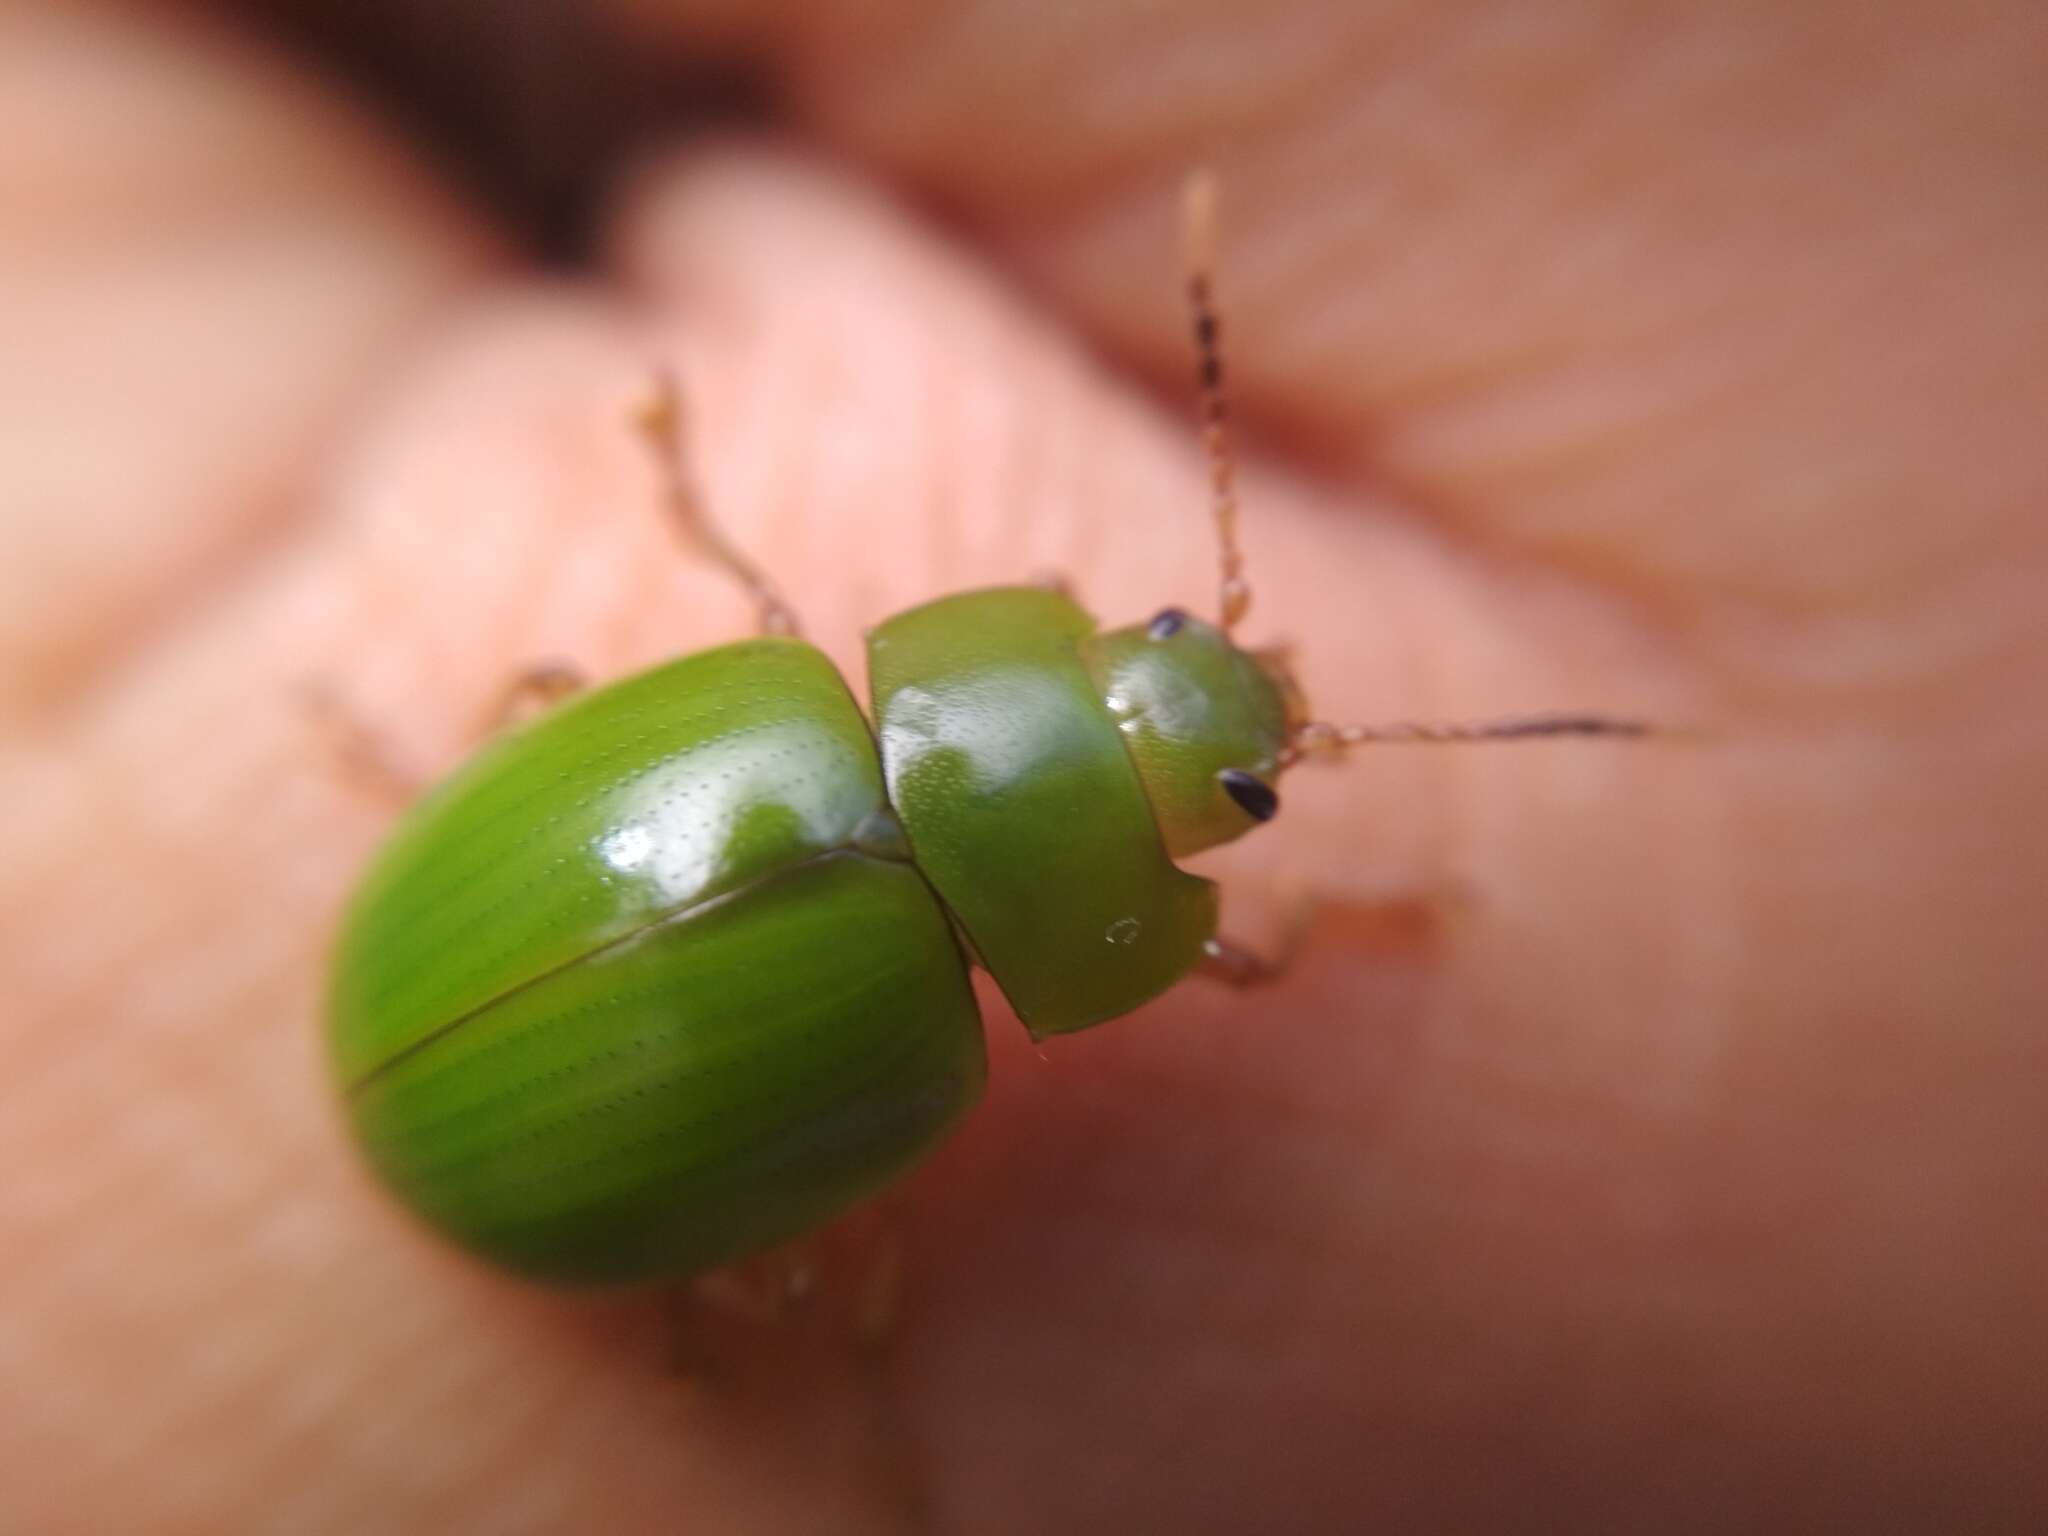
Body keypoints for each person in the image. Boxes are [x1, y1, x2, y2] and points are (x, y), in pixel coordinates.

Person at [4, 2, 2044, 1529]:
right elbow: (1233, 957)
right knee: (844, 1230)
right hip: (519, 1080)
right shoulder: (952, 1005)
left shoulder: (813, 711)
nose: (1218, 674)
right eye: (1178, 652)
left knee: (579, 681)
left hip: (513, 1059)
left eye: (1235, 777)